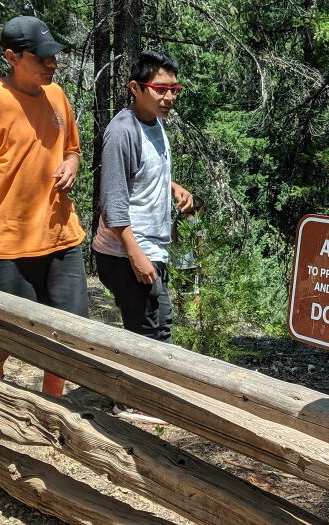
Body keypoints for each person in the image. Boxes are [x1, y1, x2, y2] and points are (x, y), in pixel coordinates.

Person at [0, 16, 88, 398]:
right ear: (12, 56)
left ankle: (53, 408)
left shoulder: (57, 96)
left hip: (61, 235)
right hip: (7, 241)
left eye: (54, 56)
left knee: (67, 333)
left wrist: (71, 163)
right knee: (12, 330)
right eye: (41, 58)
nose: (51, 64)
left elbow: (72, 147)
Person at [92, 50, 192, 422]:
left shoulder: (154, 122)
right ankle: (130, 400)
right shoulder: (122, 131)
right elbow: (114, 201)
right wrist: (135, 254)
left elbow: (145, 173)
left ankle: (138, 395)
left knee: (151, 322)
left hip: (150, 246)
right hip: (126, 251)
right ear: (136, 88)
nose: (169, 97)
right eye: (160, 89)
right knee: (152, 323)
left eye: (174, 89)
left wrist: (173, 187)